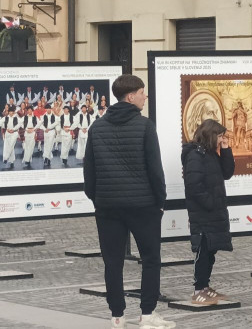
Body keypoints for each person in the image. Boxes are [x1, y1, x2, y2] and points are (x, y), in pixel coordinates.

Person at [84, 74, 174, 329]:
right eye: (143, 92)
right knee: (151, 258)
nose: (146, 96)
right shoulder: (144, 125)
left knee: (112, 262)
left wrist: (98, 199)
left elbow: (88, 172)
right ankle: (147, 315)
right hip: (143, 205)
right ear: (131, 96)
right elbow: (154, 169)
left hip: (108, 206)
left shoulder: (96, 127)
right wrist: (160, 200)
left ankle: (117, 316)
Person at [181, 119, 235, 306]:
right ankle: (198, 289)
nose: (222, 139)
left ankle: (205, 287)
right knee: (203, 250)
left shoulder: (211, 154)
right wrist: (210, 203)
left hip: (214, 212)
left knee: (210, 251)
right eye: (220, 136)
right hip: (203, 213)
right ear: (210, 135)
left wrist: (226, 149)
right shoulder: (196, 155)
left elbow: (226, 172)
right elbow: (194, 186)